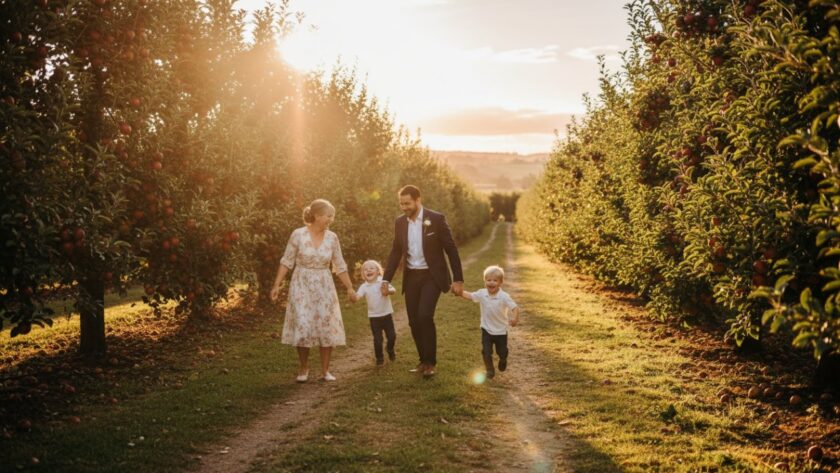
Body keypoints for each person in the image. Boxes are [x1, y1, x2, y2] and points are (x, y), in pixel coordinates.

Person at [270, 199, 357, 382]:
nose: (331, 219)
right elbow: (287, 260)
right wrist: (277, 284)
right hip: (301, 284)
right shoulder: (298, 235)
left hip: (324, 285)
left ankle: (325, 371)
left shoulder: (333, 238)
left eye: (332, 216)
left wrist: (349, 287)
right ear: (317, 216)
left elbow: (339, 265)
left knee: (326, 326)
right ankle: (304, 368)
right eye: (328, 215)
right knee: (303, 323)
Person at [382, 185, 463, 378]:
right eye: (401, 203)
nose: (404, 207)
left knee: (425, 315)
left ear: (418, 200)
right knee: (413, 321)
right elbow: (395, 252)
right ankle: (423, 361)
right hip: (412, 277)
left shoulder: (436, 219)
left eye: (407, 203)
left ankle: (431, 363)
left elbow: (451, 249)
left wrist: (458, 279)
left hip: (432, 276)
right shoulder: (400, 222)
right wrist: (385, 278)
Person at [458, 265, 520, 379]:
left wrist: (515, 319)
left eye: (495, 280)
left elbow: (515, 308)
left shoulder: (504, 296)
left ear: (501, 282)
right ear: (485, 281)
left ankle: (503, 359)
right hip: (486, 329)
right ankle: (490, 370)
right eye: (489, 280)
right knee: (486, 352)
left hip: (501, 330)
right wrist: (459, 292)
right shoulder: (482, 294)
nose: (491, 283)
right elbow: (470, 296)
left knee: (502, 351)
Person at [353, 260, 397, 365]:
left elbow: (393, 290)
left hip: (386, 315)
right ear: (363, 274)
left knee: (392, 336)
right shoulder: (364, 286)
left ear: (378, 271)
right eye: (365, 269)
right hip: (374, 317)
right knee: (377, 339)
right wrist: (352, 295)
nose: (368, 270)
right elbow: (357, 296)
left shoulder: (383, 281)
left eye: (371, 268)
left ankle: (390, 349)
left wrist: (388, 291)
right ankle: (379, 359)